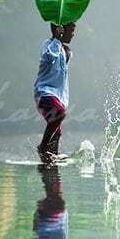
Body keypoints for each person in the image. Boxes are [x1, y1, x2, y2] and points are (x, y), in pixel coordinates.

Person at [33, 23, 75, 163]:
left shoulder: (65, 50)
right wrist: (56, 38)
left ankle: (50, 159)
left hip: (57, 97)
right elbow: (49, 58)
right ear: (61, 31)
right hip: (45, 93)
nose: (73, 34)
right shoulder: (49, 45)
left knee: (57, 133)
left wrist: (62, 44)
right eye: (71, 31)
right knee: (60, 113)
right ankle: (43, 147)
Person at [33, 165, 71, 239]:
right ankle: (48, 163)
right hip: (48, 223)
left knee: (54, 193)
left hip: (52, 221)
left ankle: (48, 163)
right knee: (53, 191)